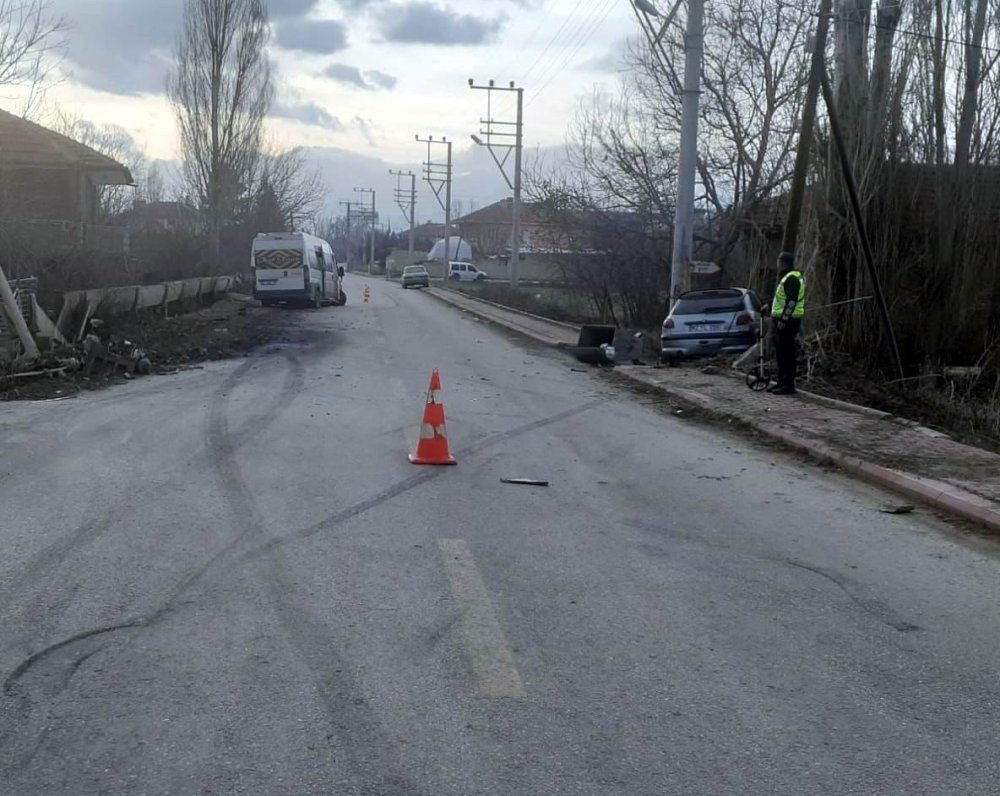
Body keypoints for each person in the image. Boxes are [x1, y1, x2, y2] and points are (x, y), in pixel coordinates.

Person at [769, 252, 805, 395]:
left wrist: (784, 319)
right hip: (783, 320)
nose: (777, 265)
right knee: (780, 352)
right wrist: (768, 305)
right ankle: (781, 381)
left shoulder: (792, 279)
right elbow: (781, 299)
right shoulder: (786, 278)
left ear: (783, 263)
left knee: (787, 352)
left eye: (779, 261)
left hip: (789, 321)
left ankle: (789, 385)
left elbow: (791, 301)